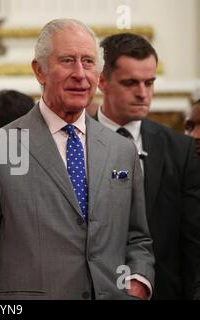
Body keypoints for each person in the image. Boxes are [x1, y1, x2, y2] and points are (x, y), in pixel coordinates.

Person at [0, 19, 154, 300]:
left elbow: (137, 239)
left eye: (88, 62)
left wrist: (138, 282)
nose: (80, 74)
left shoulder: (122, 150)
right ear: (40, 70)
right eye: (68, 61)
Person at [97, 33, 200, 299]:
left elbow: (193, 245)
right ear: (102, 81)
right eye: (130, 83)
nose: (143, 93)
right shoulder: (73, 142)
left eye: (149, 82)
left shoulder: (181, 150)